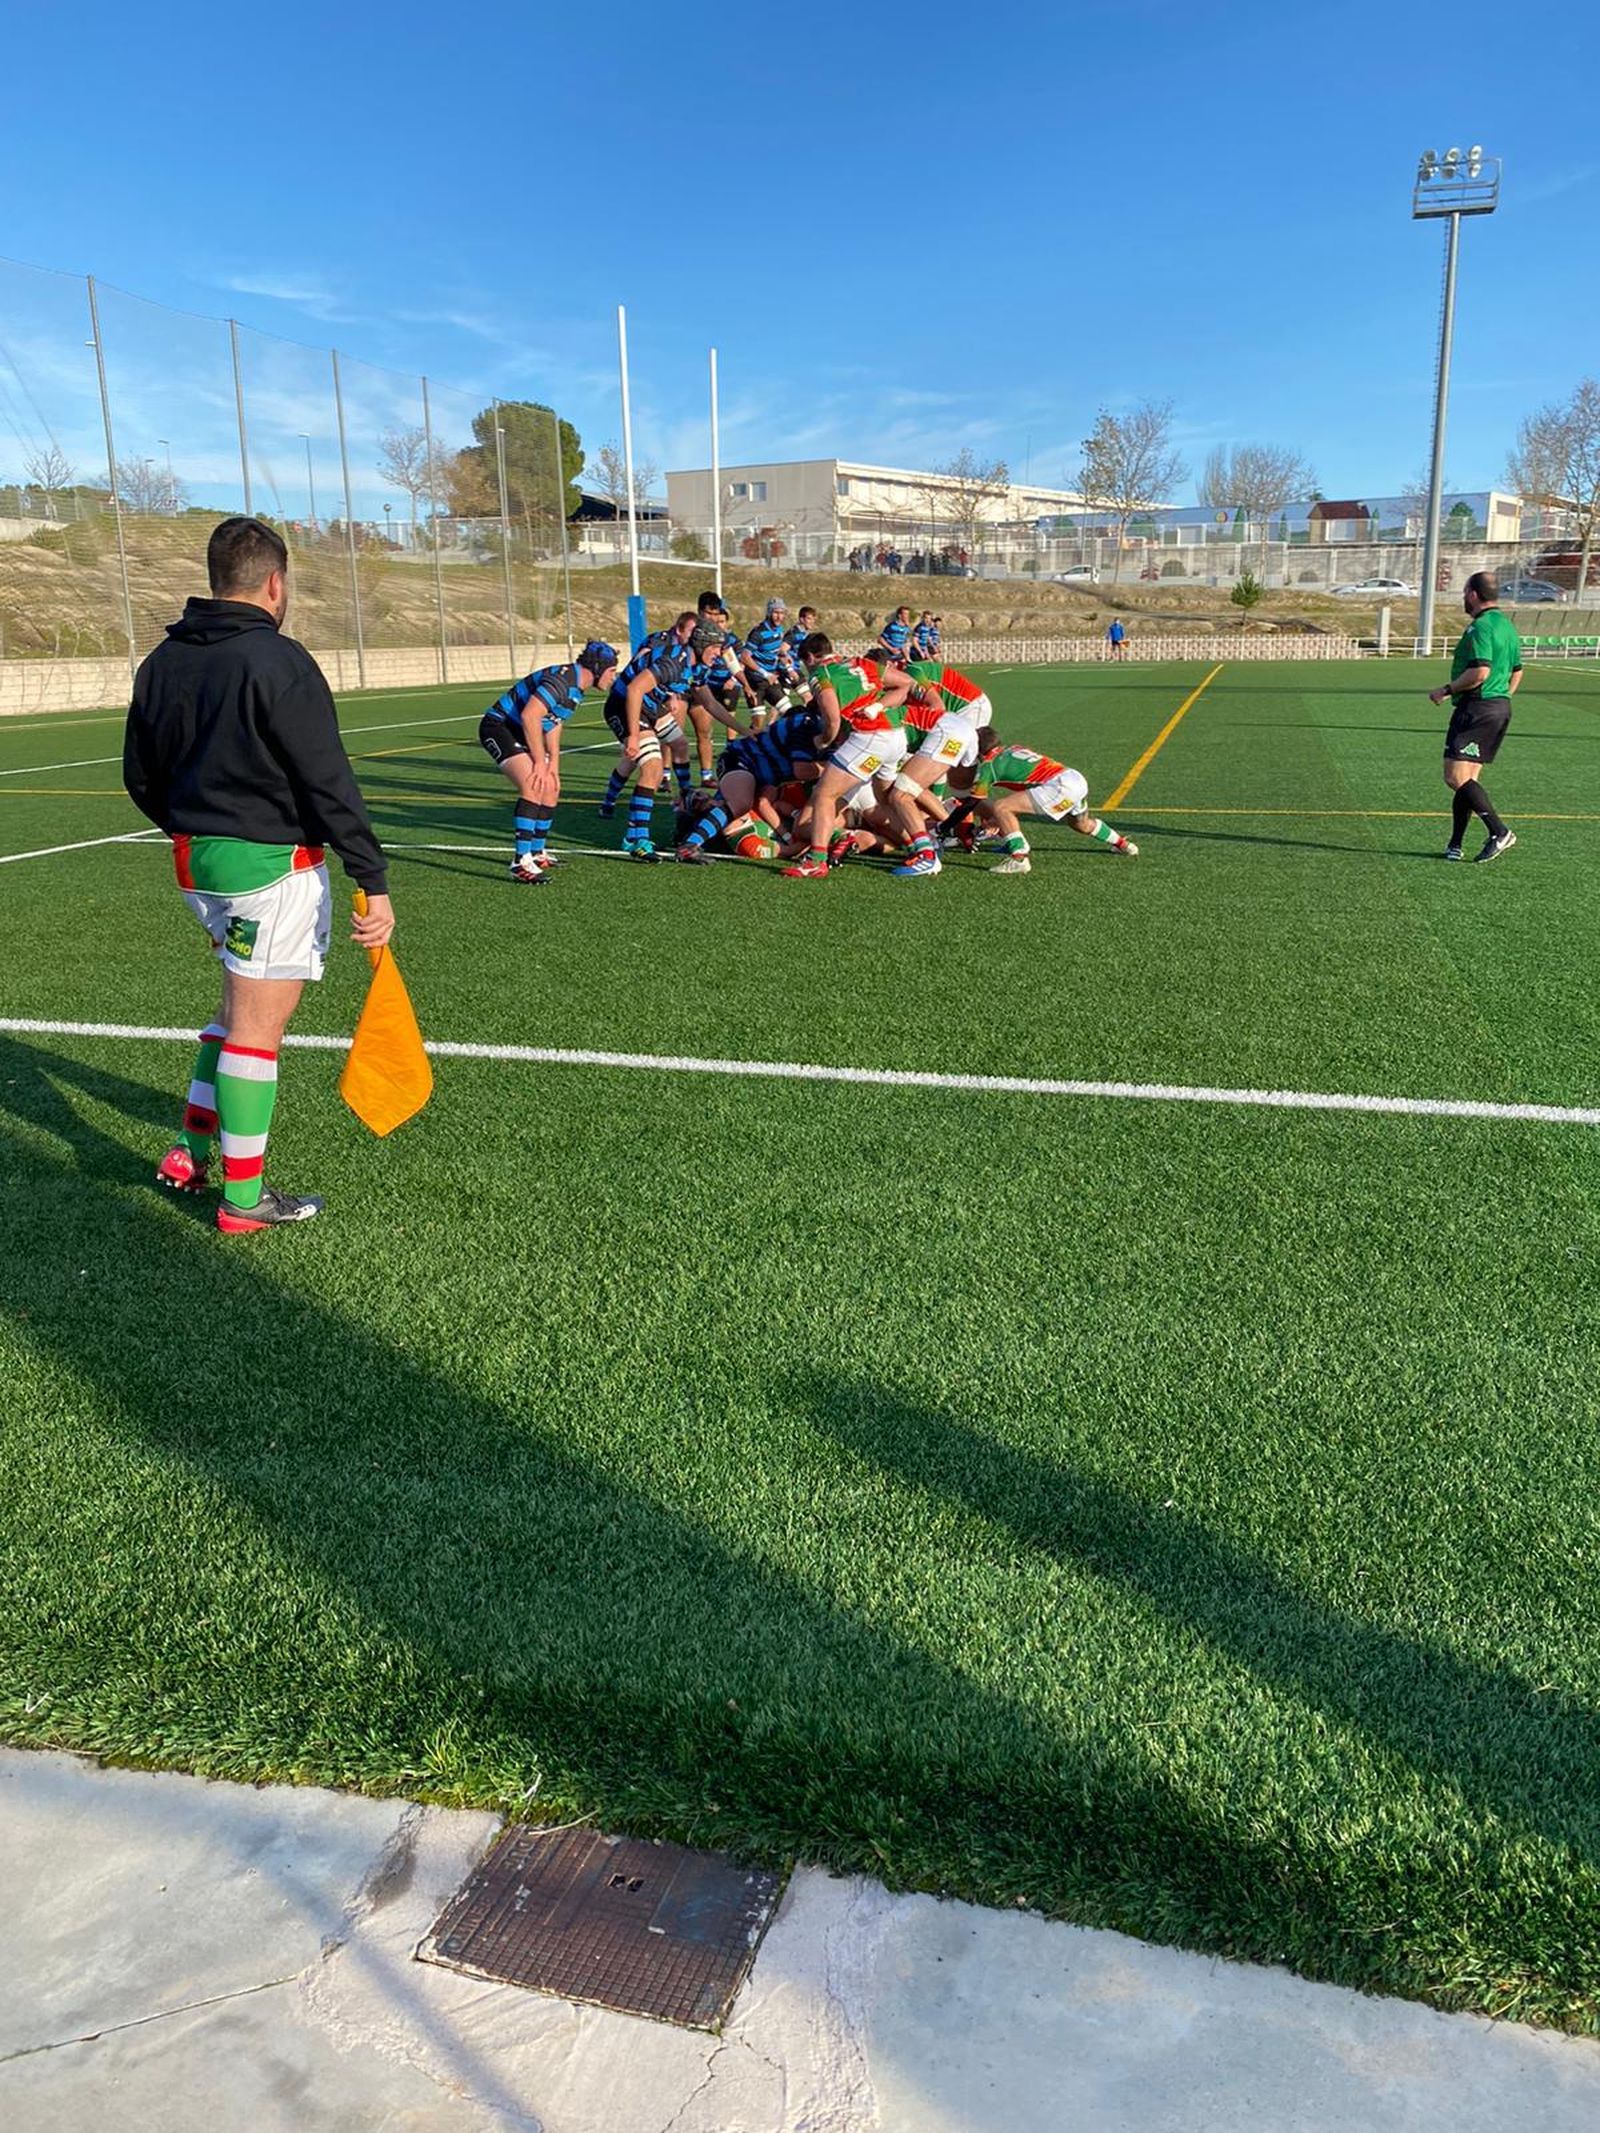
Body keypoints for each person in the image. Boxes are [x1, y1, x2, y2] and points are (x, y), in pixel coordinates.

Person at [123, 516, 394, 1232]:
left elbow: (139, 776)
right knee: (255, 1032)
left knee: (232, 1011)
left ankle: (190, 1147)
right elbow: (328, 779)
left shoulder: (160, 662)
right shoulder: (278, 660)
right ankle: (244, 1201)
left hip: (197, 865)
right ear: (275, 583)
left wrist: (195, 823)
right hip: (270, 870)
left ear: (217, 579)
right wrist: (373, 876)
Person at [478, 641, 619, 883]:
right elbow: (530, 715)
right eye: (612, 671)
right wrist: (539, 762)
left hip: (522, 731)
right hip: (499, 727)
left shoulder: (576, 686)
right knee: (533, 784)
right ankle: (520, 862)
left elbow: (553, 721)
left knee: (551, 786)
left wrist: (553, 761)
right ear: (597, 669)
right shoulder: (562, 681)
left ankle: (536, 852)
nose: (613, 677)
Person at [1428, 570, 1522, 862]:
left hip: (1477, 707)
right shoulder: (1507, 626)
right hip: (1499, 707)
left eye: (1464, 593)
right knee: (1468, 779)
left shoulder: (1480, 628)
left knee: (1455, 776)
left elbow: (1479, 671)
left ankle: (1499, 831)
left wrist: (1446, 689)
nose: (1463, 599)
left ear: (1472, 594)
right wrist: (1501, 697)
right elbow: (1517, 671)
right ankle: (1455, 844)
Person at [946, 732, 1138, 874]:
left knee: (1001, 807)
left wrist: (945, 826)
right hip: (1074, 778)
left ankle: (1019, 858)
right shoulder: (1015, 748)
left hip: (1059, 786)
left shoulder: (989, 766)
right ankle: (1122, 844)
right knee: (1081, 824)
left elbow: (972, 802)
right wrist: (995, 823)